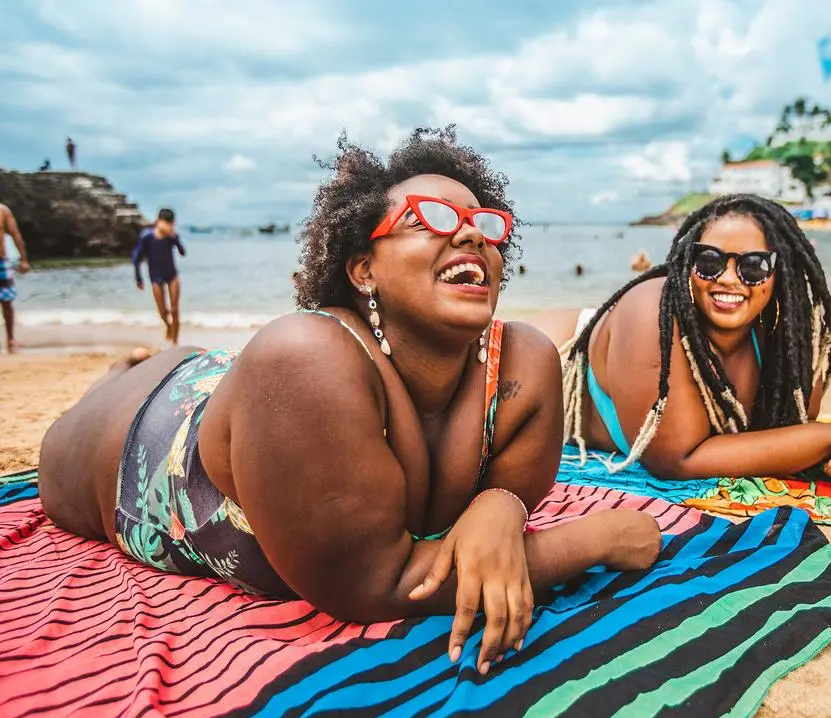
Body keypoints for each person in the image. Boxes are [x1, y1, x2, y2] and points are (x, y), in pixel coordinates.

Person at [37, 127, 661, 675]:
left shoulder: (525, 364)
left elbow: (516, 489)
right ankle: (125, 372)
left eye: (487, 225)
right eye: (435, 218)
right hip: (137, 443)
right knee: (94, 418)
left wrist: (499, 507)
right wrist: (596, 540)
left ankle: (173, 363)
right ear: (363, 268)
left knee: (216, 371)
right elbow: (372, 584)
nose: (472, 235)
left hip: (256, 404)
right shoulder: (303, 359)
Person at [542, 194, 831, 481]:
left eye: (753, 266)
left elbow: (791, 432)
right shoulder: (650, 310)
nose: (728, 278)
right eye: (709, 261)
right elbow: (676, 459)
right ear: (686, 263)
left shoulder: (789, 341)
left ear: (780, 274)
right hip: (536, 363)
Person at [133, 209, 186, 345]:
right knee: (162, 311)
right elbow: (136, 258)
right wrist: (138, 278)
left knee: (174, 309)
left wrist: (174, 237)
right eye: (166, 223)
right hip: (156, 277)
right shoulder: (147, 237)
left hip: (172, 275)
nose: (168, 226)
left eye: (171, 223)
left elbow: (182, 252)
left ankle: (175, 341)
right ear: (158, 222)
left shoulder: (171, 237)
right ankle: (168, 327)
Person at [0, 204, 31, 353]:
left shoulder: (3, 211)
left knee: (6, 301)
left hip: (1, 262)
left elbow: (15, 234)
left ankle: (11, 340)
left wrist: (23, 260)